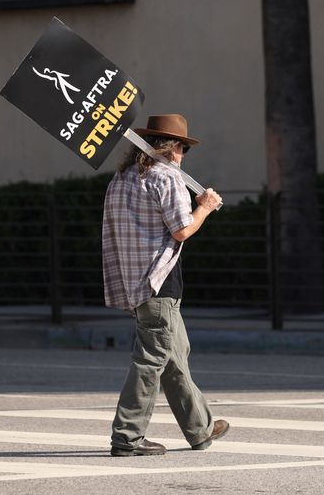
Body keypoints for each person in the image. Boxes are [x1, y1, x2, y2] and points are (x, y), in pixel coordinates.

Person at [102, 113, 229, 456]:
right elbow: (182, 229)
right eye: (183, 148)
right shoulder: (167, 177)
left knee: (175, 356)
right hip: (159, 281)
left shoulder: (122, 177)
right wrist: (204, 207)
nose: (184, 155)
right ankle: (127, 437)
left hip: (133, 281)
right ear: (173, 148)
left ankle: (199, 430)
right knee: (151, 359)